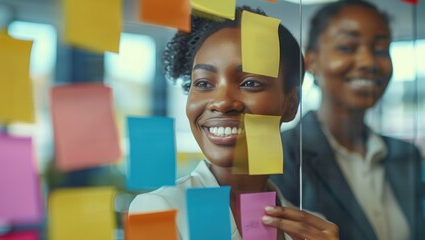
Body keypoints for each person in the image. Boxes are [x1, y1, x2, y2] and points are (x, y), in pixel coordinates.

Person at [129, 6, 339, 240]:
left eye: (250, 83)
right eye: (204, 83)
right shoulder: (159, 209)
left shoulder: (311, 227)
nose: (222, 102)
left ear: (290, 105)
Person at [270, 1, 424, 239]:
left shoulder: (406, 154)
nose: (368, 62)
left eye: (381, 50)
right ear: (310, 62)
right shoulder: (281, 155)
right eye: (347, 47)